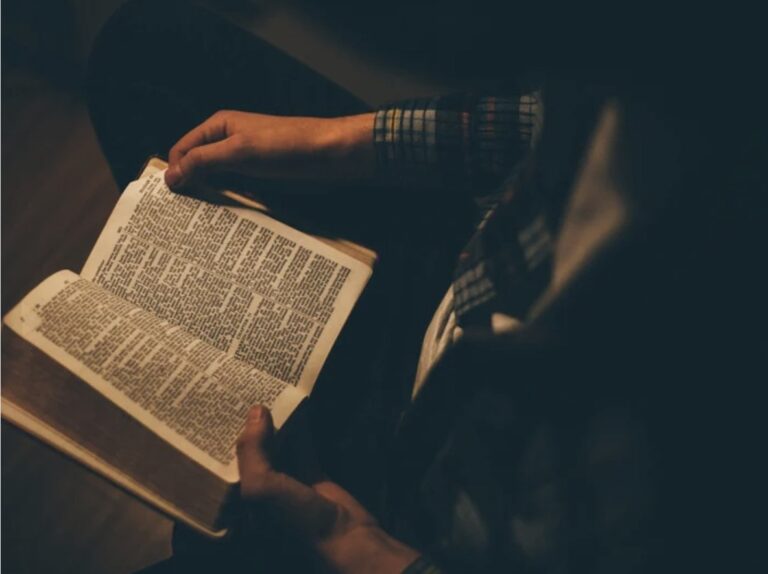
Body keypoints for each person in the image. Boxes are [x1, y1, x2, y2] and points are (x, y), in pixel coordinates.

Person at [88, 0, 766, 572]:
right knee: (147, 56)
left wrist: (361, 548)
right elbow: (540, 119)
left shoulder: (691, 425)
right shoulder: (684, 64)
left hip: (423, 495)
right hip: (459, 281)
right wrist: (339, 143)